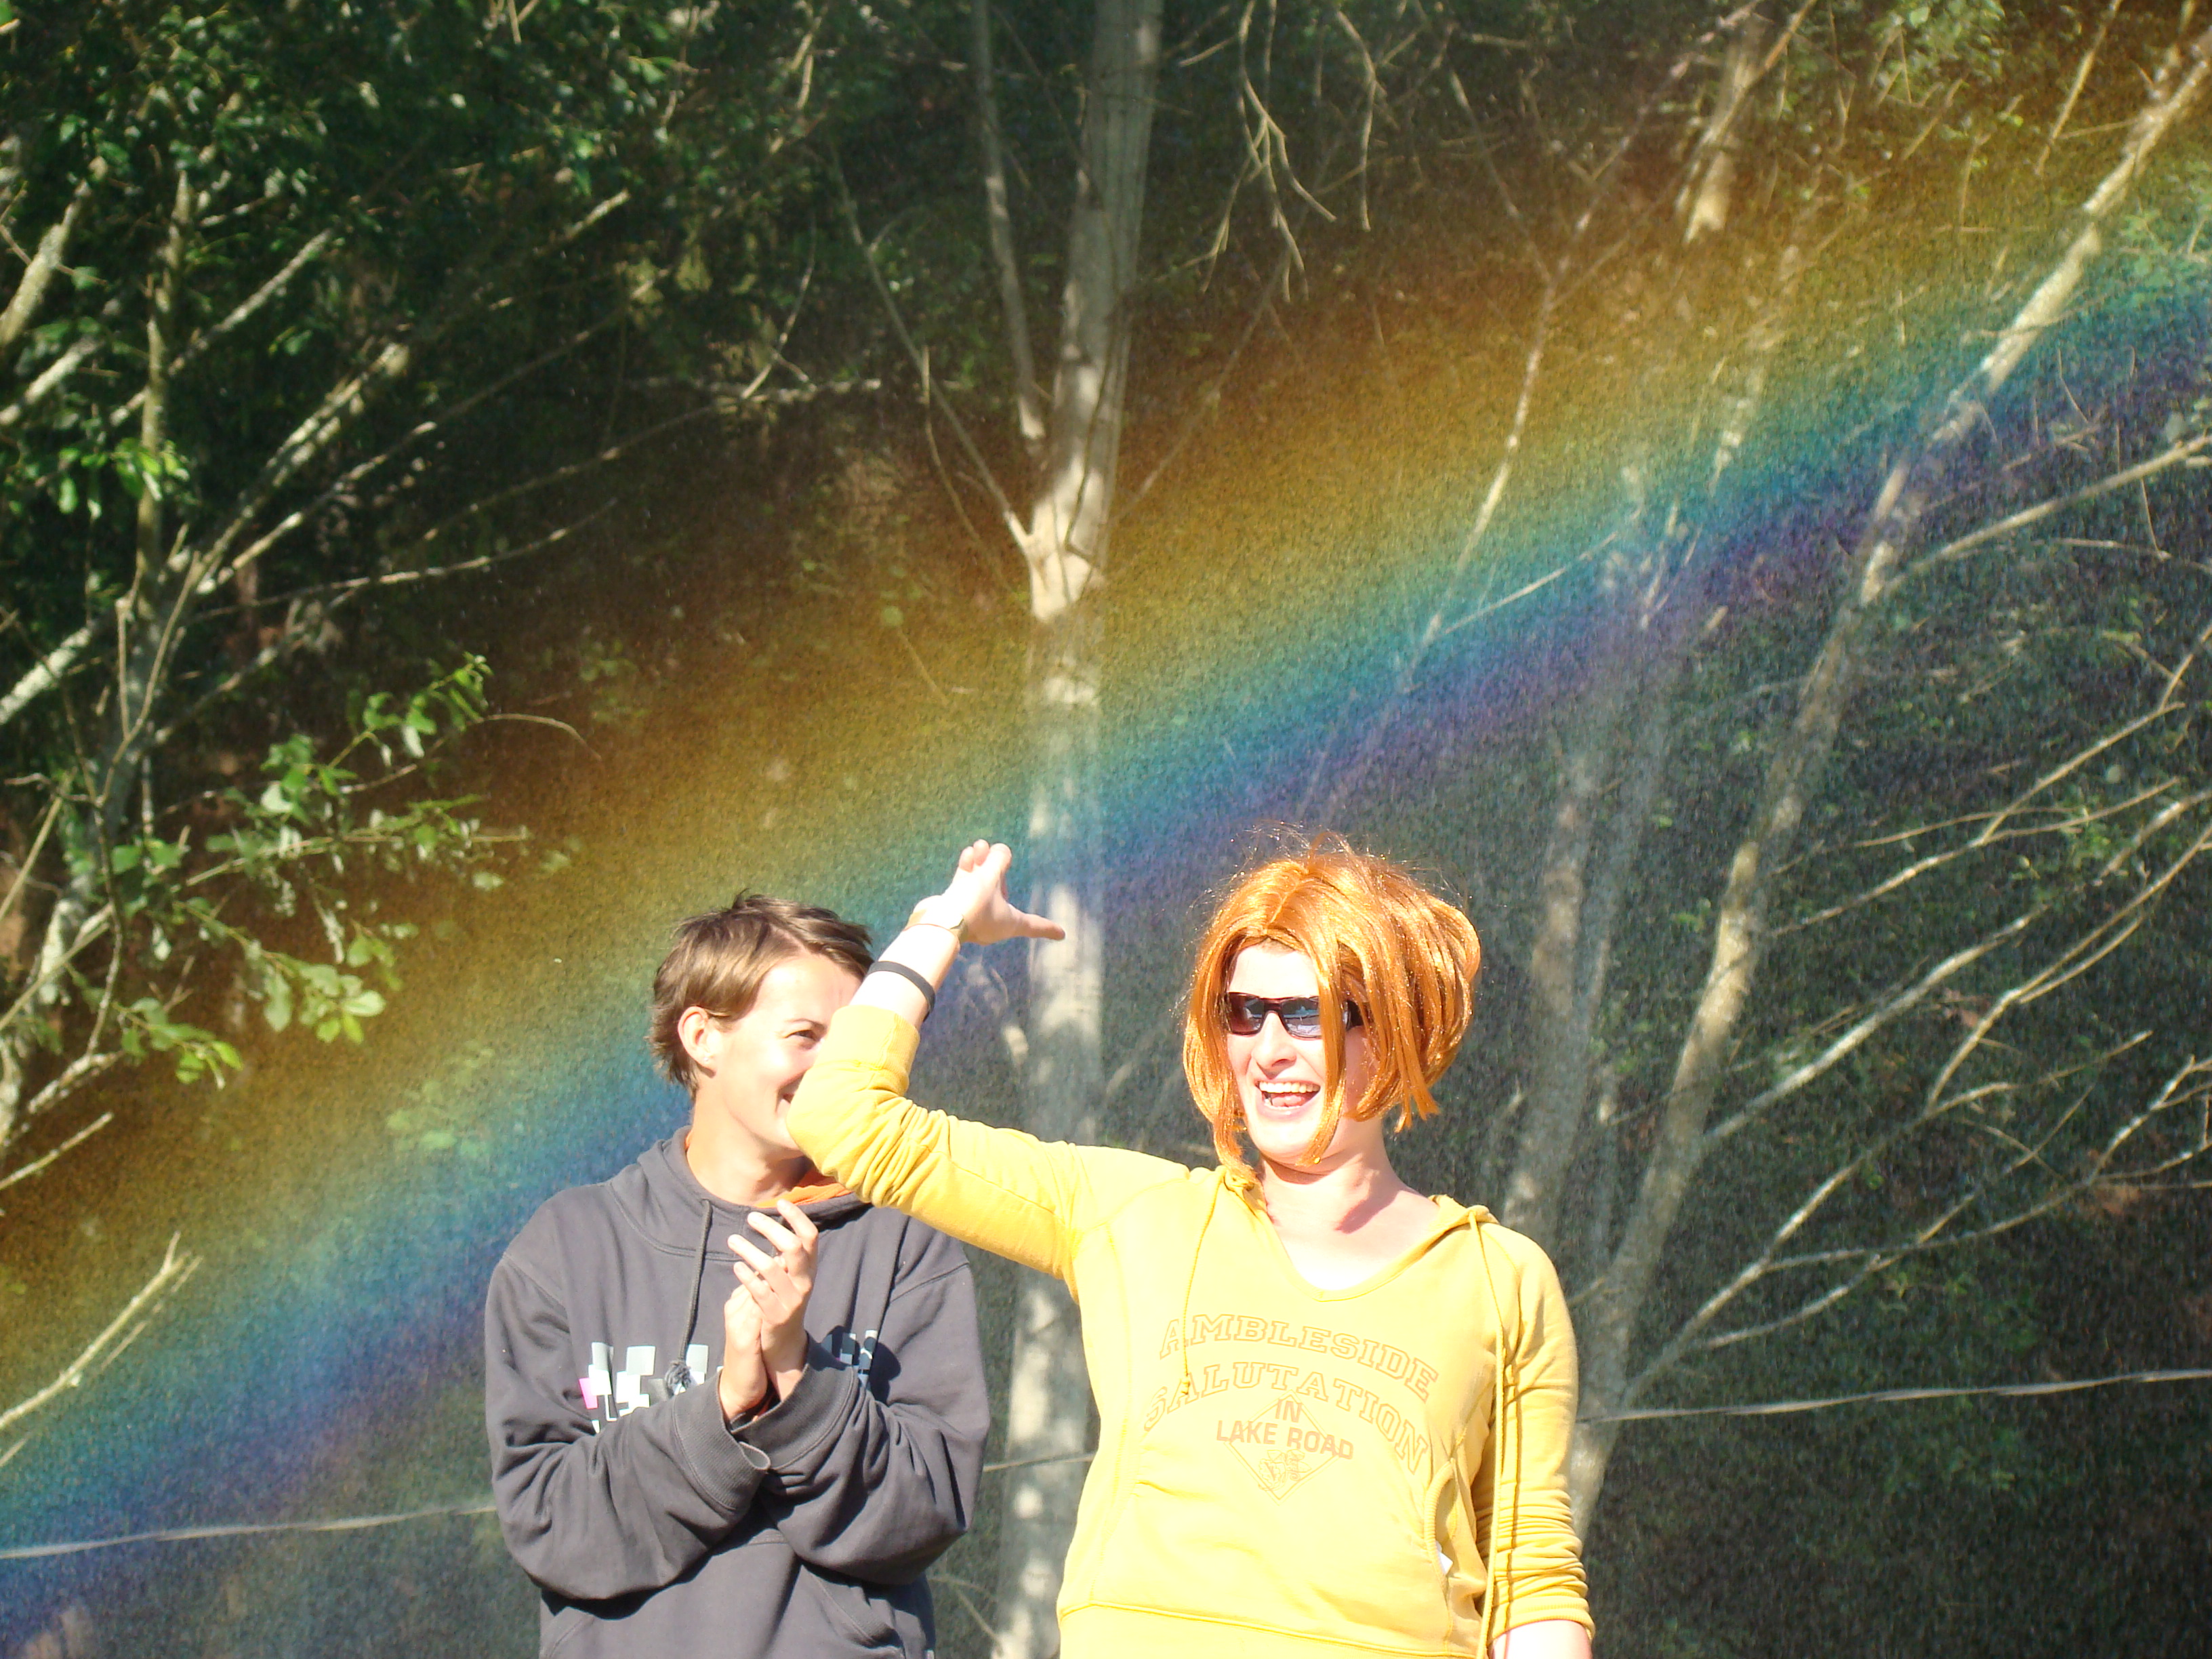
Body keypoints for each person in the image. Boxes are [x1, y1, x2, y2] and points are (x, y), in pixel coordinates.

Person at [789, 838, 1593, 1659]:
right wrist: (945, 920)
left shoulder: (1499, 1278)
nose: (1268, 1050)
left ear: (1392, 1027)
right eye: (1245, 1012)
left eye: (1307, 1013)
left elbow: (1530, 1576)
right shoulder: (1130, 1214)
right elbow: (841, 1117)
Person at [484, 895, 990, 1659]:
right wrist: (724, 1406)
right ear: (702, 1037)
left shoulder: (904, 1242)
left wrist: (797, 1376)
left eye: (851, 1041)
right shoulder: (566, 1248)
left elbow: (924, 1516)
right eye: (805, 1036)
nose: (835, 1067)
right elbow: (553, 1526)